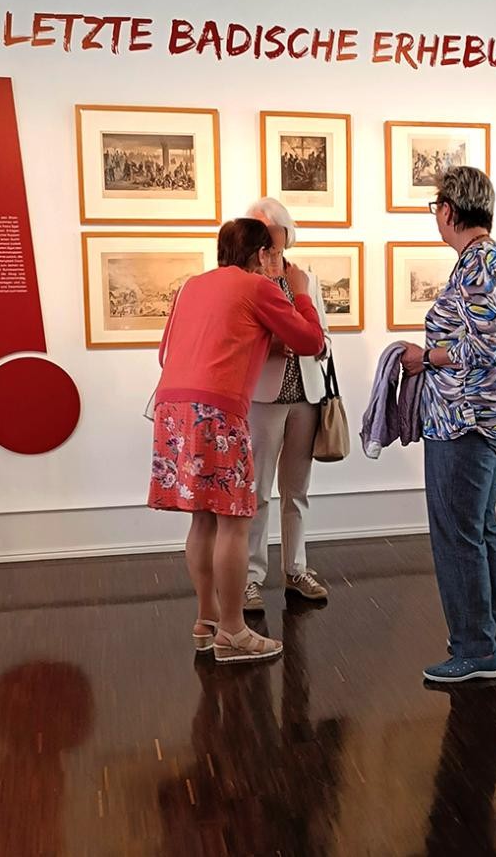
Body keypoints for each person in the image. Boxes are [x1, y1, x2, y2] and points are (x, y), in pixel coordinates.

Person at [148, 218, 325, 664]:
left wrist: (255, 343)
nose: (279, 262)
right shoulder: (259, 286)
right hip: (217, 410)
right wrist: (299, 290)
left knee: (203, 519)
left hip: (173, 408)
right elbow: (310, 340)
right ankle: (232, 631)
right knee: (234, 520)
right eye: (275, 255)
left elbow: (165, 353)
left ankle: (207, 618)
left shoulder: (191, 286)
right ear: (263, 254)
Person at [401, 166, 496, 684]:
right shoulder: (494, 260)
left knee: (456, 534)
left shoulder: (478, 264)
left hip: (466, 420)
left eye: (436, 209)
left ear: (448, 211)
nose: (436, 217)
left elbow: (485, 348)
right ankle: (495, 633)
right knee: (479, 528)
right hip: (485, 416)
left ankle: (477, 651)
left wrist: (426, 356)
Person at [242, 198, 331, 611]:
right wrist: (279, 344)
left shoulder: (304, 279)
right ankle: (249, 578)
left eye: (269, 230)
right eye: (256, 230)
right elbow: (243, 343)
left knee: (297, 490)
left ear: (284, 233)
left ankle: (296, 570)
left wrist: (306, 343)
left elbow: (322, 337)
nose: (265, 241)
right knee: (257, 491)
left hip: (306, 396)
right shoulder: (247, 280)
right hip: (264, 397)